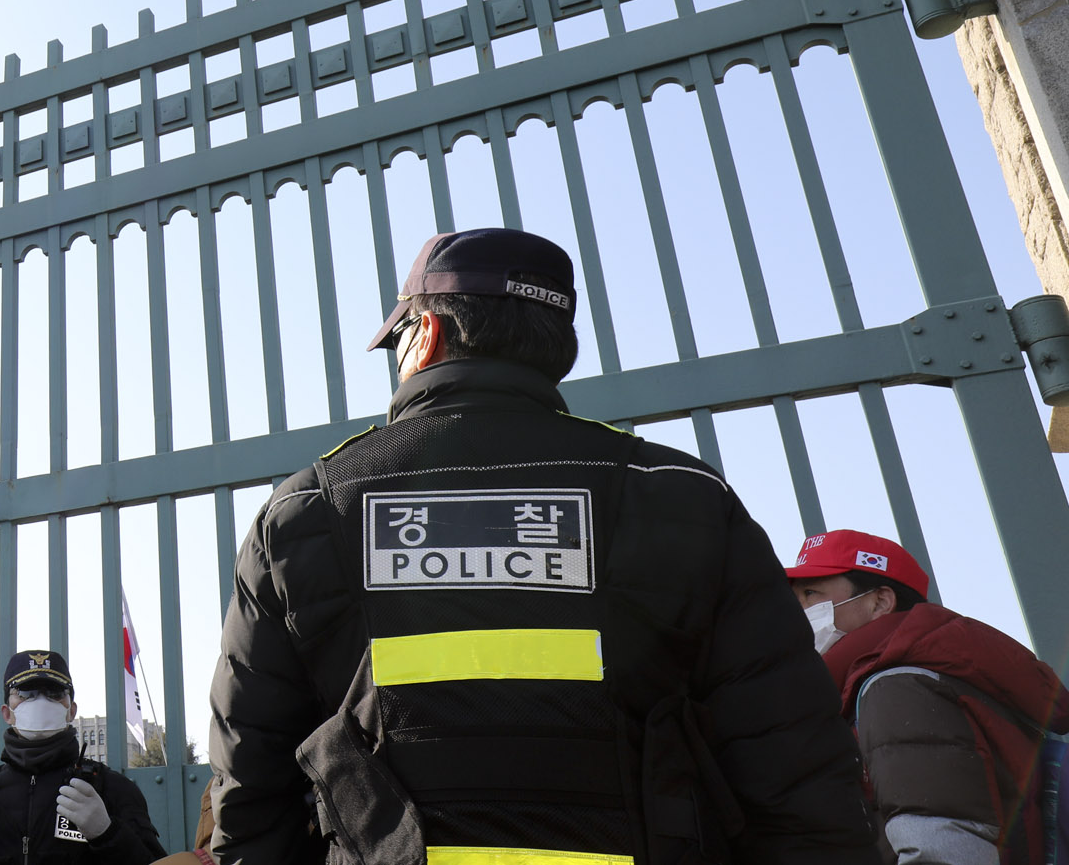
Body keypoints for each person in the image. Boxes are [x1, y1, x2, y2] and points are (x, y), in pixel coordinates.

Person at [209, 227, 879, 865]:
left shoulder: (307, 509)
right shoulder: (681, 495)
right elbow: (793, 764)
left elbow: (250, 779)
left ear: (429, 333)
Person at [790, 529, 1069, 865]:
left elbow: (942, 845)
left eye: (810, 594)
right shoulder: (932, 677)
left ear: (879, 602)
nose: (797, 612)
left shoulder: (898, 687)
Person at [0, 650, 165, 864]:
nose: (41, 702)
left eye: (54, 693)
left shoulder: (111, 788)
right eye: (26, 693)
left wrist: (107, 833)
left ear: (71, 711)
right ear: (7, 713)